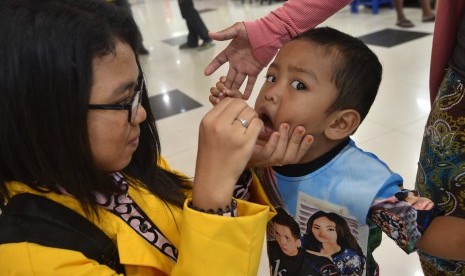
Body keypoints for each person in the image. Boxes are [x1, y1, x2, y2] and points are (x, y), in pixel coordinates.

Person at [0, 0, 275, 274]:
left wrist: (235, 172)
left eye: (137, 92)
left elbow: (184, 226)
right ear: (42, 114)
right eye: (122, 101)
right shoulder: (32, 258)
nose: (141, 114)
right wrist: (212, 202)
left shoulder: (121, 165)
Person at [205, 1, 465, 273]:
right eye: (272, 77)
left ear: (340, 123)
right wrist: (233, 142)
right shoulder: (260, 159)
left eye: (298, 85)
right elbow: (224, 209)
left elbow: (428, 232)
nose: (270, 92)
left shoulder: (363, 180)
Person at [268, 208, 339, 275]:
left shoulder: (317, 263)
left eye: (287, 238)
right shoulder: (270, 247)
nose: (282, 242)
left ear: (298, 242)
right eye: (277, 234)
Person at [303, 211, 365, 275]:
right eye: (316, 227)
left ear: (340, 231)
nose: (322, 233)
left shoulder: (352, 258)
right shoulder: (305, 243)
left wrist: (330, 262)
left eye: (330, 229)